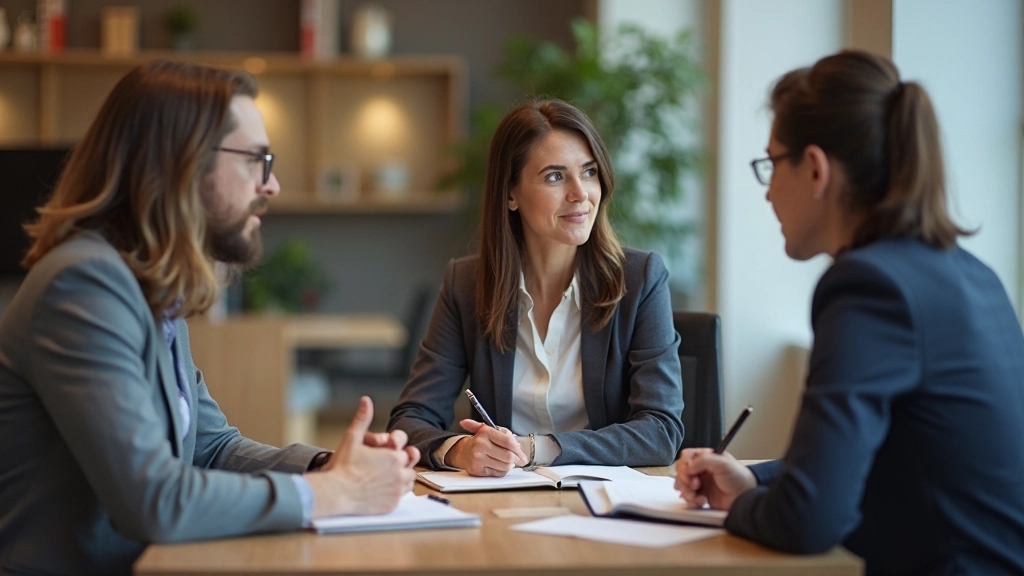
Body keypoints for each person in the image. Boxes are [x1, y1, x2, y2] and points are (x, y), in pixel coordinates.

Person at [0, 60, 418, 575]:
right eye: (256, 160)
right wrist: (330, 493)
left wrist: (329, 466)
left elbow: (210, 446)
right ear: (182, 163)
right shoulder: (84, 286)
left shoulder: (149, 289)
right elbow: (155, 500)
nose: (272, 185)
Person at [675, 50, 1024, 575]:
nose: (767, 191)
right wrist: (759, 481)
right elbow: (877, 458)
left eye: (772, 163)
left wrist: (739, 507)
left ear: (815, 168)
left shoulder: (868, 286)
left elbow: (807, 521)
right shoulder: (971, 272)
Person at [388, 99, 684, 476]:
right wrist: (460, 450)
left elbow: (661, 431)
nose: (580, 193)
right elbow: (409, 420)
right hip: (501, 503)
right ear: (511, 194)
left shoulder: (640, 278)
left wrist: (538, 448)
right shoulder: (466, 284)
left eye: (589, 172)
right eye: (555, 177)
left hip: (602, 504)